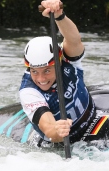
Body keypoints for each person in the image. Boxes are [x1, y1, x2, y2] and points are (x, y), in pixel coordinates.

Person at [19, 0, 96, 145]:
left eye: (47, 70)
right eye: (34, 71)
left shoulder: (66, 60)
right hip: (65, 142)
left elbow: (74, 40)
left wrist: (59, 16)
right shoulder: (28, 91)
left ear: (58, 61)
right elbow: (48, 128)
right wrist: (57, 131)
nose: (41, 79)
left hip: (93, 116)